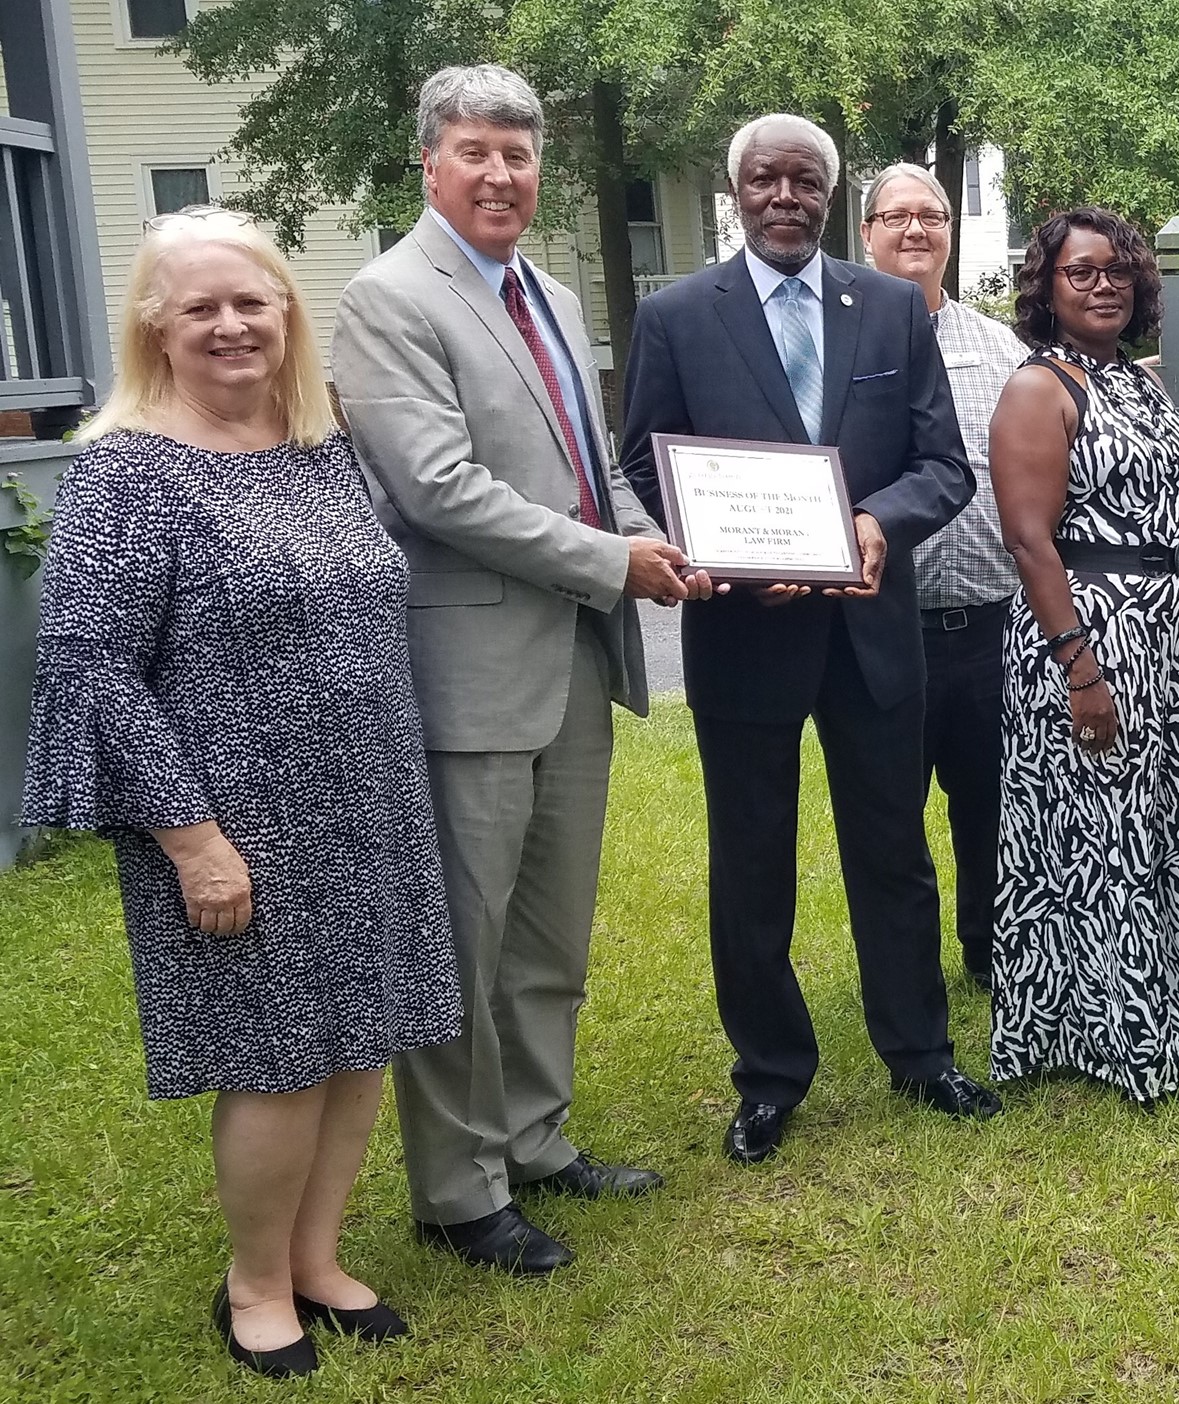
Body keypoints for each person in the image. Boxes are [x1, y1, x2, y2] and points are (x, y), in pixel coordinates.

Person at [23, 208, 461, 1377]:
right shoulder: (125, 467)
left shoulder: (320, 441)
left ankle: (317, 1259)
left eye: (252, 301)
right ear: (154, 325)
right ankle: (254, 1286)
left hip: (369, 801)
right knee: (273, 1059)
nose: (232, 326)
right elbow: (85, 661)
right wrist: (191, 839)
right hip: (235, 821)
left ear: (286, 313)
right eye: (202, 306)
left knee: (360, 1040)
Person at [335, 64, 696, 1274]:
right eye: (477, 152)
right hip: (469, 674)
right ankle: (456, 1189)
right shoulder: (390, 297)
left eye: (520, 155)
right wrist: (616, 559)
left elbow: (591, 463)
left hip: (570, 665)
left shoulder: (544, 287)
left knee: (548, 935)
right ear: (428, 163)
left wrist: (661, 527)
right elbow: (437, 489)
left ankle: (535, 1140)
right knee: (465, 945)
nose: (501, 175)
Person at [620, 116, 992, 1165]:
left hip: (871, 628)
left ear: (828, 199)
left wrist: (872, 526)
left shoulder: (884, 310)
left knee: (893, 851)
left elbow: (942, 464)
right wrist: (723, 554)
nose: (783, 195)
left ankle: (920, 1055)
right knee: (751, 863)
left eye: (803, 180)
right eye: (762, 179)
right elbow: (644, 469)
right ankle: (770, 1078)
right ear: (736, 192)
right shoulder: (678, 315)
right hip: (744, 632)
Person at [986, 207, 1179, 1102]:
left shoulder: (1141, 388)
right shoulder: (1040, 389)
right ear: (1049, 286)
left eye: (1117, 271)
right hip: (1089, 634)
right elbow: (1030, 541)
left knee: (1174, 821)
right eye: (1082, 272)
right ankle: (1115, 1034)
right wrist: (1079, 666)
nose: (1103, 284)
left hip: (1167, 634)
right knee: (1097, 839)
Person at [863, 161, 1033, 997]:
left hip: (988, 623)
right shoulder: (843, 341)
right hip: (882, 628)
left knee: (991, 805)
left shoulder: (996, 345)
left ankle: (991, 949)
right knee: (890, 818)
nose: (916, 230)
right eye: (896, 217)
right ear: (866, 234)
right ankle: (904, 977)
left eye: (931, 215)